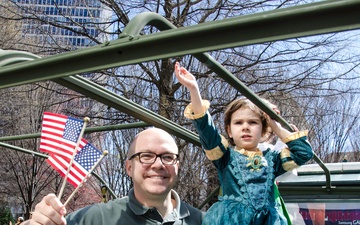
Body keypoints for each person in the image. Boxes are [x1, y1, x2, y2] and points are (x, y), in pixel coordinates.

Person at [174, 62, 314, 225]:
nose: (245, 127)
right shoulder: (225, 157)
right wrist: (194, 90)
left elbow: (304, 153)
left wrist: (276, 127)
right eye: (238, 123)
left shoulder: (272, 159)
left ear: (263, 130)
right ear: (230, 130)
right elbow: (206, 129)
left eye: (253, 122)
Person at [21, 127, 204, 225]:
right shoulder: (97, 218)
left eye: (167, 157)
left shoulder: (205, 221)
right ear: (129, 167)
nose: (158, 164)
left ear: (177, 166)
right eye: (146, 156)